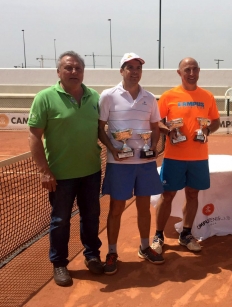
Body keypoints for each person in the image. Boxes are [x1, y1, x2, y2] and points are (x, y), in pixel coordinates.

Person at [28, 51, 103, 287]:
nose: (73, 72)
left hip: (91, 171)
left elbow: (101, 130)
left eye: (78, 68)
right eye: (68, 68)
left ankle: (92, 255)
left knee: (91, 217)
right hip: (60, 176)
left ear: (83, 71)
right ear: (59, 72)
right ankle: (59, 263)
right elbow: (34, 135)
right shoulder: (45, 97)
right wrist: (44, 170)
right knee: (60, 220)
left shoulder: (93, 97)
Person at [98, 52, 165, 274]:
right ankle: (112, 252)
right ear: (121, 70)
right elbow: (100, 127)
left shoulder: (150, 98)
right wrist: (113, 150)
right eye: (130, 67)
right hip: (119, 164)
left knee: (144, 207)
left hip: (144, 163)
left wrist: (153, 147)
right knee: (116, 209)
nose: (134, 72)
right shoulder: (108, 96)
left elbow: (155, 126)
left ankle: (145, 247)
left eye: (138, 68)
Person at [151, 57, 220, 254]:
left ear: (199, 71)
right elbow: (156, 121)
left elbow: (214, 121)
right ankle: (158, 235)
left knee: (192, 194)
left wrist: (207, 131)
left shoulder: (207, 96)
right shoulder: (169, 96)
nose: (191, 73)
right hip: (174, 157)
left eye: (194, 69)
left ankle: (186, 234)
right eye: (187, 69)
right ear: (179, 73)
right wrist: (169, 131)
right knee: (168, 195)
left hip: (199, 157)